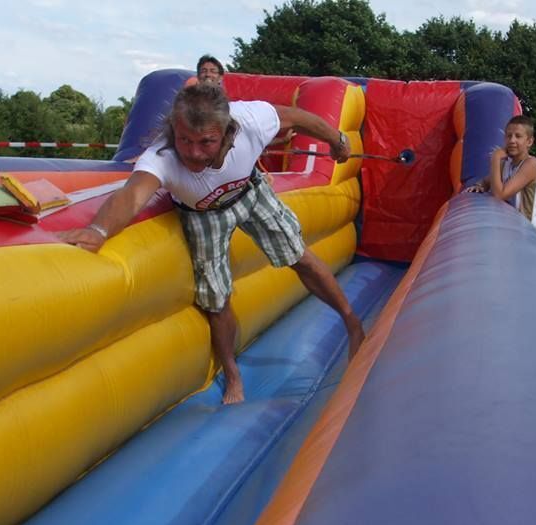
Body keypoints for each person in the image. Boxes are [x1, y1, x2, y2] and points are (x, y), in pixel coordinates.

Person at [58, 82, 364, 404]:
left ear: (227, 131)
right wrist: (98, 230)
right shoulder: (163, 156)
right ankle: (232, 373)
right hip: (202, 215)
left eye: (206, 142)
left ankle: (351, 322)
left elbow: (298, 118)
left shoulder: (250, 120)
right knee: (216, 299)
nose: (193, 152)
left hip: (249, 192)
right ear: (174, 129)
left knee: (299, 255)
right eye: (185, 140)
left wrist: (338, 140)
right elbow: (133, 195)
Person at [466, 115, 536, 242]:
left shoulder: (531, 165)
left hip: (534, 238)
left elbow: (500, 195)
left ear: (529, 141)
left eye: (518, 136)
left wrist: (495, 158)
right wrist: (480, 186)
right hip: (516, 234)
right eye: (508, 136)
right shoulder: (507, 164)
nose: (512, 140)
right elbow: (486, 181)